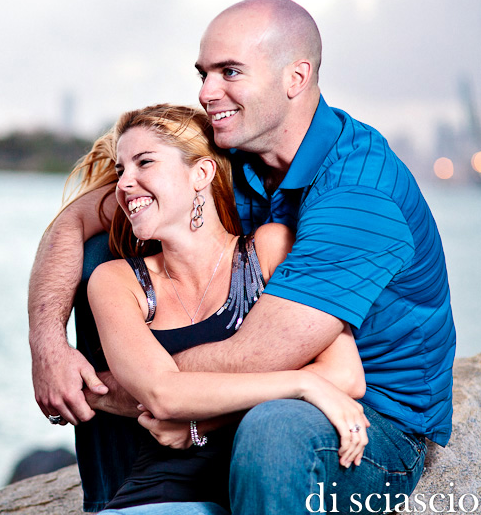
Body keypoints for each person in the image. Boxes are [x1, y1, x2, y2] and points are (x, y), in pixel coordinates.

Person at [28, 0, 456, 514]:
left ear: (295, 78)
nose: (208, 93)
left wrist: (136, 389)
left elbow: (261, 353)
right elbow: (75, 219)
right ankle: (117, 500)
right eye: (203, 73)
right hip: (254, 386)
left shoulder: (359, 194)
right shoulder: (229, 152)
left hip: (370, 417)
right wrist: (49, 345)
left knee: (272, 427)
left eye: (230, 72)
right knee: (102, 254)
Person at [77, 104, 369, 514]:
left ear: (202, 174)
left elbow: (345, 375)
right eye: (121, 169)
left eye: (144, 163)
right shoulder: (115, 281)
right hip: (161, 494)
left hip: (267, 482)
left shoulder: (270, 248)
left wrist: (201, 420)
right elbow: (163, 394)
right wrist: (304, 384)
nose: (125, 183)